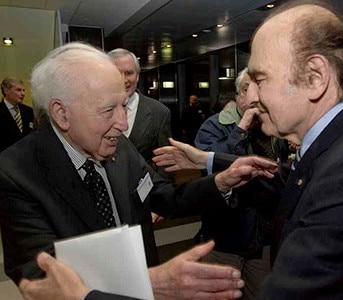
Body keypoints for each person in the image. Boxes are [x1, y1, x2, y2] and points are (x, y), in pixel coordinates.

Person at [157, 1, 343, 299]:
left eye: (260, 80)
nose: (252, 97)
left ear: (314, 77)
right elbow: (290, 180)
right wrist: (209, 161)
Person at [0, 41, 278, 299]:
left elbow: (159, 195)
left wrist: (220, 182)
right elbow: (41, 279)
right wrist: (146, 282)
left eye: (124, 105)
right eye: (109, 110)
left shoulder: (117, 144)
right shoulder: (16, 172)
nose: (122, 123)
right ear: (61, 114)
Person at [193, 67, 284, 299]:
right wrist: (240, 129)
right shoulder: (214, 126)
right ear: (238, 96)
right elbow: (211, 168)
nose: (254, 96)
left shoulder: (271, 127)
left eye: (259, 88)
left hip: (262, 238)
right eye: (246, 89)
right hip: (225, 237)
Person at [107, 48, 172, 179]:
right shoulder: (91, 109)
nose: (123, 80)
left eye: (129, 73)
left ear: (137, 75)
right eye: (116, 73)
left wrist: (162, 195)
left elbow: (165, 163)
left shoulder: (158, 112)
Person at [0, 77, 34, 152]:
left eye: (23, 90)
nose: (23, 94)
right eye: (18, 90)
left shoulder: (28, 111)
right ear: (6, 90)